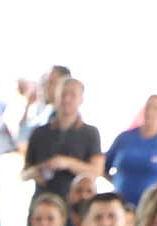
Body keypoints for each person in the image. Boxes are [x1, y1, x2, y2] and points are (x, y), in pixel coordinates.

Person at [24, 76, 104, 206]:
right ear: (56, 96)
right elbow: (24, 173)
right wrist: (37, 171)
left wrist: (67, 163)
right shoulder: (39, 132)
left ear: (81, 99)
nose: (66, 99)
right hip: (44, 202)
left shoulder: (90, 133)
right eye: (63, 94)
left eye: (72, 95)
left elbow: (97, 171)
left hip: (76, 206)